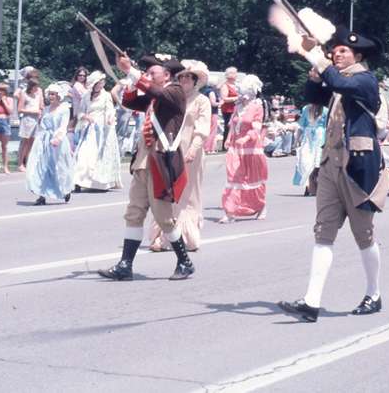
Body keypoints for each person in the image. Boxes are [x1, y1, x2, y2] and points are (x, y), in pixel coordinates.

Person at [279, 29, 389, 323]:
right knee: (323, 233)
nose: (336, 55)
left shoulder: (365, 79)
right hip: (330, 163)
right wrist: (315, 74)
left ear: (358, 56)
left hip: (358, 166)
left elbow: (340, 82)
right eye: (335, 51)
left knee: (363, 235)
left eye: (343, 51)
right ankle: (311, 301)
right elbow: (312, 96)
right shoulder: (339, 81)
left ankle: (373, 293)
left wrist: (318, 59)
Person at [98, 52, 194, 281]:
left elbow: (156, 92)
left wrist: (131, 70)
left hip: (161, 161)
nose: (149, 74)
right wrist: (129, 76)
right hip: (144, 159)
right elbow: (129, 101)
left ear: (167, 74)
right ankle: (125, 264)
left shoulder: (175, 91)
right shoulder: (155, 96)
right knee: (134, 212)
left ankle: (185, 261)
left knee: (163, 218)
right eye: (148, 72)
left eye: (153, 72)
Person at [149, 60, 212, 251]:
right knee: (168, 192)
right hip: (169, 148)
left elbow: (202, 129)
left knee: (187, 193)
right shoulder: (172, 97)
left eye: (188, 77)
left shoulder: (202, 101)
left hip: (190, 150)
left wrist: (194, 148)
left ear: (195, 81)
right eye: (182, 76)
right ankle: (165, 235)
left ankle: (186, 236)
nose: (184, 80)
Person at [219, 75, 269, 223]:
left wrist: (246, 138)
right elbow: (233, 125)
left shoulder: (257, 106)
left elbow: (257, 127)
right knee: (233, 177)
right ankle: (230, 211)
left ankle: (260, 206)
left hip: (251, 148)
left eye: (246, 92)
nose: (243, 96)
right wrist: (229, 139)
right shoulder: (238, 106)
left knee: (252, 180)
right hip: (236, 148)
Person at [26, 83, 75, 205]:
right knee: (41, 167)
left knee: (59, 168)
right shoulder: (46, 109)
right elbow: (42, 126)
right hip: (45, 141)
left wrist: (57, 138)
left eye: (53, 94)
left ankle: (65, 190)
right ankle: (41, 195)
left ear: (59, 96)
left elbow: (63, 126)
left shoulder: (64, 109)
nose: (51, 96)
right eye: (50, 94)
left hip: (57, 142)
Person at [73, 71, 122, 191]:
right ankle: (78, 181)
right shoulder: (86, 96)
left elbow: (110, 110)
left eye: (102, 83)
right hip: (89, 129)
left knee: (97, 157)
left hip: (102, 129)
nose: (101, 85)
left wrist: (110, 119)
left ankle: (98, 183)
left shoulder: (106, 96)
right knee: (83, 155)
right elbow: (80, 112)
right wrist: (85, 117)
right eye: (99, 83)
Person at [292, 102, 327, 196]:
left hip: (320, 137)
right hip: (308, 138)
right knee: (306, 161)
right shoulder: (306, 109)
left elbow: (327, 127)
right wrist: (296, 140)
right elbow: (301, 126)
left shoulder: (325, 110)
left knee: (317, 162)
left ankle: (315, 185)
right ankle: (308, 185)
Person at [15, 72, 44, 171]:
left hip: (35, 120)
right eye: (35, 87)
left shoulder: (37, 95)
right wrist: (32, 111)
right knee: (25, 142)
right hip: (27, 120)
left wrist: (40, 112)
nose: (37, 89)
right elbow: (20, 109)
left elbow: (41, 106)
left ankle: (28, 162)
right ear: (31, 87)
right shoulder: (24, 94)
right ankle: (20, 164)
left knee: (32, 142)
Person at [218, 67, 240, 147]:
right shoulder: (225, 85)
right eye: (235, 73)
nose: (236, 75)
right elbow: (224, 98)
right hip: (228, 109)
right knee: (229, 126)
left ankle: (233, 143)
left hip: (236, 109)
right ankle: (226, 144)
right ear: (230, 75)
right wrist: (237, 98)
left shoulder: (236, 85)